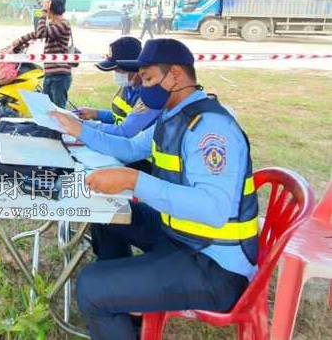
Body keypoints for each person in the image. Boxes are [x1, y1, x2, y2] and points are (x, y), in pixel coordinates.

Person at [51, 39, 258, 340]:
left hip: (215, 266)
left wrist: (133, 181)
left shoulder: (209, 128)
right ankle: (122, 302)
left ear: (174, 75)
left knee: (91, 286)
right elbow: (129, 146)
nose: (143, 86)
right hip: (181, 236)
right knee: (108, 210)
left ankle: (108, 297)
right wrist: (77, 128)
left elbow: (213, 210)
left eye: (148, 78)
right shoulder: (172, 117)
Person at [75, 37, 161, 139]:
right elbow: (122, 117)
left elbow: (124, 131)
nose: (117, 74)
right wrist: (96, 113)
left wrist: (79, 126)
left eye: (119, 70)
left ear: (135, 66)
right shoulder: (129, 87)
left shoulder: (151, 95)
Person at [13, 0, 73, 108]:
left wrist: (43, 12)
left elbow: (40, 33)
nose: (43, 8)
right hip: (50, 74)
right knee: (48, 111)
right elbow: (38, 33)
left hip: (60, 75)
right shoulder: (54, 24)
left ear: (51, 7)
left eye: (46, 5)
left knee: (59, 113)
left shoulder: (63, 25)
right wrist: (21, 40)